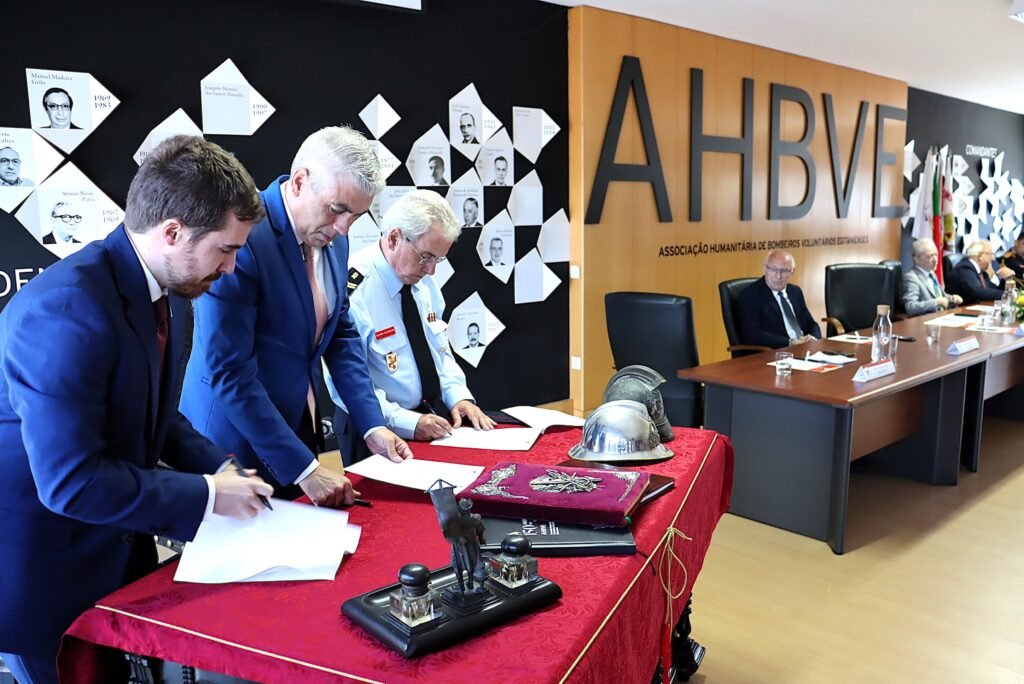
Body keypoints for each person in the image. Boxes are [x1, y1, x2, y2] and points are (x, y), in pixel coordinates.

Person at [0, 136, 273, 684]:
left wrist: (219, 466)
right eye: (226, 249)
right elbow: (71, 482)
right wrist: (208, 495)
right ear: (172, 232)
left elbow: (153, 413)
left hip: (115, 556)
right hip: (46, 573)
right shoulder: (65, 309)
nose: (233, 267)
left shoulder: (167, 286)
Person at [180, 126, 413, 507]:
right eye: (337, 209)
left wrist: (371, 424)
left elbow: (342, 335)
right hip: (230, 446)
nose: (343, 228)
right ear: (301, 181)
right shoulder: (243, 236)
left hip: (295, 433)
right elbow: (229, 371)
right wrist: (303, 468)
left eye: (356, 216)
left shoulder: (333, 236)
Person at [334, 189, 495, 455]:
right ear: (395, 237)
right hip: (374, 428)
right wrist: (408, 422)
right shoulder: (354, 288)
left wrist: (459, 395)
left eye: (438, 259)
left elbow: (440, 351)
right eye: (426, 257)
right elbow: (345, 381)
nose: (432, 269)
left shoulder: (422, 281)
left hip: (428, 418)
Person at [738, 249, 821, 348]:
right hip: (776, 352)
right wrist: (790, 342)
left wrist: (813, 338)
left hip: (804, 349)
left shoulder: (795, 292)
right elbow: (752, 335)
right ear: (765, 268)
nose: (778, 276)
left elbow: (812, 324)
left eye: (784, 271)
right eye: (773, 269)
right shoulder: (750, 295)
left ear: (792, 271)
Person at [902, 238, 963, 316]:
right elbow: (910, 307)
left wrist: (952, 298)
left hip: (939, 317)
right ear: (916, 259)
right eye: (929, 256)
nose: (935, 260)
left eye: (936, 255)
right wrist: (936, 302)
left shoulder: (931, 274)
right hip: (923, 323)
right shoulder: (911, 277)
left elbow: (941, 296)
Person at [945, 239, 1012, 305]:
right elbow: (978, 292)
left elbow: (992, 289)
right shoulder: (964, 269)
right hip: (960, 311)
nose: (993, 259)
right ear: (980, 256)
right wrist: (1007, 295)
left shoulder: (981, 272)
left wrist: (1006, 280)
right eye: (991, 254)